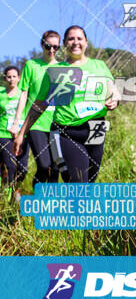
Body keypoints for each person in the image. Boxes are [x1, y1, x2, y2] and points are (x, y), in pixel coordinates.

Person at [14, 26, 119, 183]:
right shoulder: (56, 70)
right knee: (78, 181)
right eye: (71, 39)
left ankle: (75, 206)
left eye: (79, 38)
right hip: (68, 131)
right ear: (64, 43)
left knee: (91, 179)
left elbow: (112, 88)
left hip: (97, 127)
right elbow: (39, 104)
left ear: (86, 42)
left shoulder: (99, 65)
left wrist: (115, 98)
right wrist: (22, 134)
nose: (75, 42)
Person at [10, 31, 61, 187]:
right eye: (48, 46)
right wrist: (17, 122)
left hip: (56, 123)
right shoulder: (31, 65)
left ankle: (49, 207)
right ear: (42, 44)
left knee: (56, 168)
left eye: (55, 47)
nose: (51, 50)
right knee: (44, 165)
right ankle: (37, 195)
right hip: (35, 123)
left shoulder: (63, 68)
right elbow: (23, 94)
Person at [0, 66, 29, 194]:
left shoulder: (24, 93)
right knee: (11, 166)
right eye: (9, 77)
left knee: (22, 169)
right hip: (3, 133)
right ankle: (8, 196)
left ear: (19, 78)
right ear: (5, 78)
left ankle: (15, 189)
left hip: (21, 135)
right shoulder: (0, 93)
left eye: (14, 76)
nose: (11, 79)